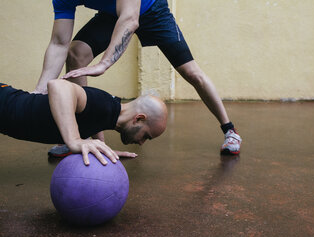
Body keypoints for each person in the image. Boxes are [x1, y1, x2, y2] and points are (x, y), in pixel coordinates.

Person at [33, 0, 242, 157]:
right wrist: (38, 91)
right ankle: (87, 139)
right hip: (113, 13)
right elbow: (59, 42)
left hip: (151, 9)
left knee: (192, 73)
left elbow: (130, 19)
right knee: (75, 53)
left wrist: (104, 63)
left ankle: (229, 130)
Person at [0, 79, 168, 165]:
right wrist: (74, 140)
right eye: (146, 136)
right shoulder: (103, 104)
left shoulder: (109, 111)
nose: (141, 143)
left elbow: (94, 119)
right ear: (138, 118)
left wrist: (102, 147)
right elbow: (58, 86)